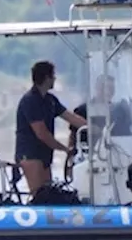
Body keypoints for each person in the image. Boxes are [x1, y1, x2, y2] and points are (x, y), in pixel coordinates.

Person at [15, 60, 86, 197]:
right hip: (30, 153)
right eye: (53, 76)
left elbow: (71, 117)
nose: (54, 79)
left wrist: (94, 128)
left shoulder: (50, 100)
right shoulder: (30, 100)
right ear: (46, 78)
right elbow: (42, 133)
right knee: (39, 195)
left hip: (45, 153)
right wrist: (65, 149)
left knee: (48, 193)